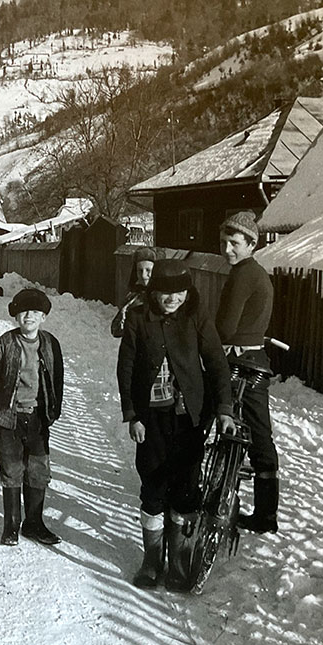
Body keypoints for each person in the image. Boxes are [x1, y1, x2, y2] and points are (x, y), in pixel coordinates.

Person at [117, 259, 234, 591]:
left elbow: (215, 362)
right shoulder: (139, 319)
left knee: (185, 488)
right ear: (153, 292)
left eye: (179, 293)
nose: (172, 300)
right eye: (165, 294)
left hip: (189, 417)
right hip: (151, 417)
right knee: (153, 486)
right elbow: (125, 368)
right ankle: (152, 560)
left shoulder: (197, 316)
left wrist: (223, 407)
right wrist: (132, 415)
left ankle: (178, 562)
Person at [0, 288, 64, 547]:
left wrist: (51, 410)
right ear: (16, 316)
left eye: (35, 312)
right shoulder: (6, 344)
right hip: (10, 420)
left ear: (43, 317)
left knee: (38, 470)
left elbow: (57, 379)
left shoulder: (50, 344)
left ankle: (34, 524)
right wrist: (3, 406)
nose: (29, 316)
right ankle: (12, 525)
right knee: (12, 469)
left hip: (38, 418)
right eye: (24, 312)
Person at [216, 210, 278, 534]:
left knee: (205, 410)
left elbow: (226, 326)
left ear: (251, 243)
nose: (228, 249)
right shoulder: (257, 273)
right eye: (224, 242)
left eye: (235, 243)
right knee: (258, 432)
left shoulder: (242, 275)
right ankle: (266, 514)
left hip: (239, 363)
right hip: (256, 360)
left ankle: (195, 485)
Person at [111, 246, 157, 337]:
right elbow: (115, 330)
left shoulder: (162, 296)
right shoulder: (134, 297)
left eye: (148, 270)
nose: (143, 275)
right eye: (140, 271)